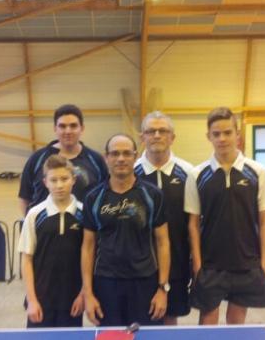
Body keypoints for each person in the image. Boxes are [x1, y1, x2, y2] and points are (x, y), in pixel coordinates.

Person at [185, 107, 265, 325]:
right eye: (216, 134)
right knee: (208, 318)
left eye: (227, 132)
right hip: (210, 264)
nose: (222, 138)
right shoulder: (197, 175)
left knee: (237, 320)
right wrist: (197, 264)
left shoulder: (257, 172)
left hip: (245, 262)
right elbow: (192, 224)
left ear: (238, 134)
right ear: (208, 136)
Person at [81, 134, 170, 327]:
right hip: (106, 282)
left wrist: (162, 289)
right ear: (106, 157)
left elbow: (163, 242)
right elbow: (88, 247)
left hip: (145, 282)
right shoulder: (93, 198)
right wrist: (88, 293)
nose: (121, 159)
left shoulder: (152, 195)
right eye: (115, 154)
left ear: (135, 156)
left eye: (126, 153)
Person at [134, 111, 196, 325]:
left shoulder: (189, 173)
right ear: (142, 137)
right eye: (151, 131)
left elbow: (194, 223)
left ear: (172, 137)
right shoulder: (131, 173)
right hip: (140, 265)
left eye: (163, 131)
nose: (157, 135)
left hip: (177, 262)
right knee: (140, 319)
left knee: (170, 319)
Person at [17, 154, 85, 328]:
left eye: (64, 179)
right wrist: (32, 300)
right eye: (53, 180)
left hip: (72, 301)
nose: (59, 185)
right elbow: (26, 259)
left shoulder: (84, 214)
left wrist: (83, 294)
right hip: (40, 301)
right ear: (45, 182)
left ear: (73, 180)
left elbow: (89, 258)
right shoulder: (34, 215)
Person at [18, 104, 108, 215]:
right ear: (55, 128)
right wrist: (30, 221)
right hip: (43, 225)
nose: (68, 131)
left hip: (84, 225)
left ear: (82, 128)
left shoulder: (96, 160)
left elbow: (105, 196)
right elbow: (24, 197)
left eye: (73, 126)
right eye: (62, 126)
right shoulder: (36, 159)